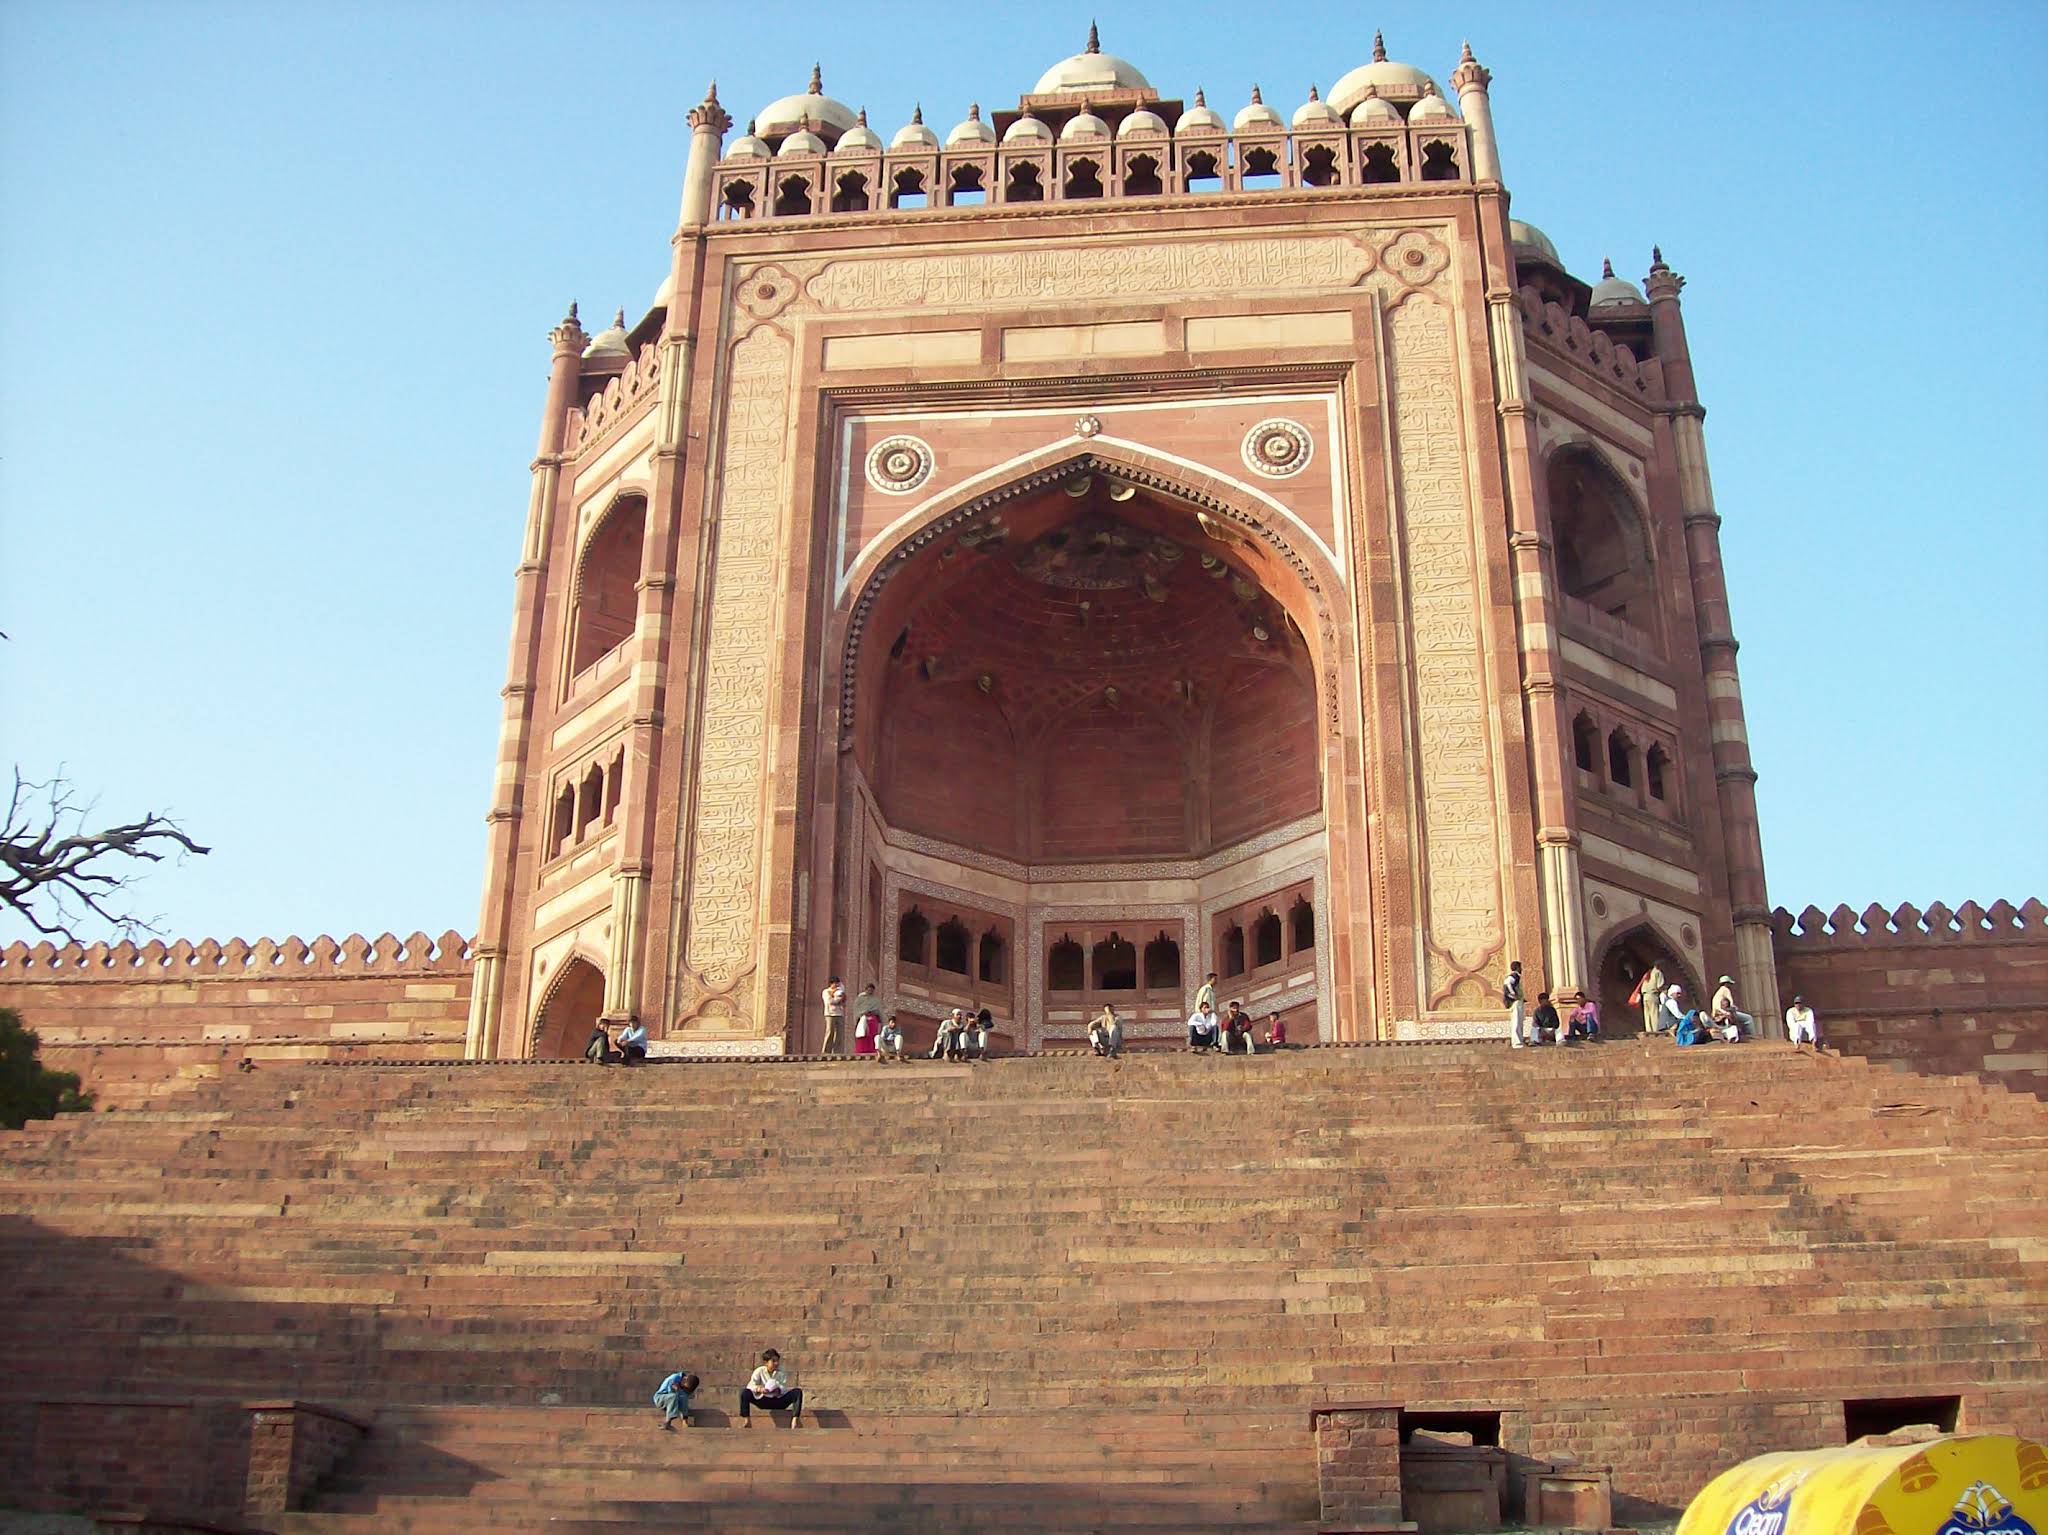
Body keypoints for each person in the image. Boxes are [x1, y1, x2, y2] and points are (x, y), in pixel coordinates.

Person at [740, 1348, 803, 1426]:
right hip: (763, 1400)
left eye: (777, 1361)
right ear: (766, 1362)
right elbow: (750, 1386)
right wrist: (760, 1389)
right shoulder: (759, 1371)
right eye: (773, 1361)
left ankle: (795, 1420)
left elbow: (784, 1387)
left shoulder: (781, 1371)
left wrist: (778, 1390)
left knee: (797, 1392)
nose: (776, 1363)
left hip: (778, 1400)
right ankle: (747, 1420)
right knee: (744, 1392)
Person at [1710, 975, 1756, 1041]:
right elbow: (1731, 1004)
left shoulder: (1718, 992)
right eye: (1729, 983)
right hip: (1724, 1013)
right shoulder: (1726, 990)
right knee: (1748, 1018)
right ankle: (1750, 1035)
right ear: (1726, 983)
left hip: (1716, 1014)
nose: (1730, 985)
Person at [848, 980, 880, 1058]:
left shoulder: (875, 1000)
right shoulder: (860, 999)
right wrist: (860, 1015)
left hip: (873, 1020)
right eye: (869, 990)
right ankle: (861, 1051)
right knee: (862, 1035)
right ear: (866, 989)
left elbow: (879, 1010)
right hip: (862, 1019)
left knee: (872, 1036)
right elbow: (856, 1010)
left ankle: (872, 1051)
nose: (870, 992)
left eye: (872, 990)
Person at [1637, 960, 1667, 1034]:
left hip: (1645, 996)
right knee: (1654, 1013)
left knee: (1647, 1014)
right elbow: (1659, 985)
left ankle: (1649, 1030)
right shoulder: (1658, 973)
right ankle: (1655, 1030)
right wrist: (1665, 990)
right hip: (1652, 995)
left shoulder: (1648, 973)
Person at [1502, 960, 1526, 1048]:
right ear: (1517, 968)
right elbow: (1507, 983)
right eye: (1520, 967)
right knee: (1516, 1021)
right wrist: (1513, 994)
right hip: (1516, 1002)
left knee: (1519, 1021)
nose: (1521, 969)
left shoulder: (1516, 977)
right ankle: (1517, 1042)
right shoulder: (1514, 976)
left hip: (1518, 1001)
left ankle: (1519, 1041)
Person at [821, 976, 846, 1056]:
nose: (836, 985)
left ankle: (837, 1052)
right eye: (835, 983)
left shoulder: (840, 991)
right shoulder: (826, 991)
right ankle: (826, 1051)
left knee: (839, 1034)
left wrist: (842, 998)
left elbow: (844, 1001)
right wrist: (838, 999)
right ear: (831, 984)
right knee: (830, 1032)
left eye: (837, 983)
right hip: (830, 1014)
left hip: (839, 1014)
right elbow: (830, 1001)